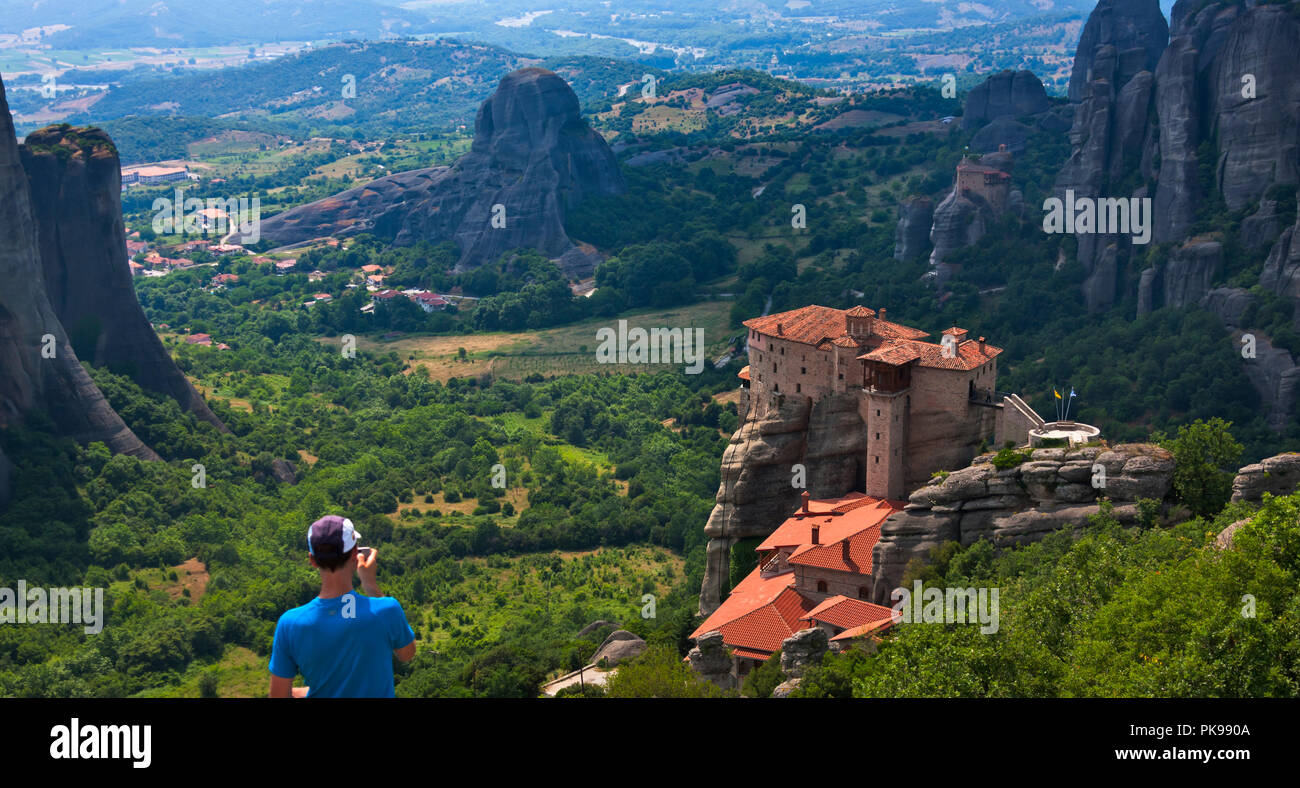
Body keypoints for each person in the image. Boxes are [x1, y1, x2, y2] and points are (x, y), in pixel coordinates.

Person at [268, 515, 416, 697]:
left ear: (312, 560)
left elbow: (278, 695)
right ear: (355, 554)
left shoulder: (290, 623)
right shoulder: (387, 610)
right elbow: (407, 654)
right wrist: (370, 585)